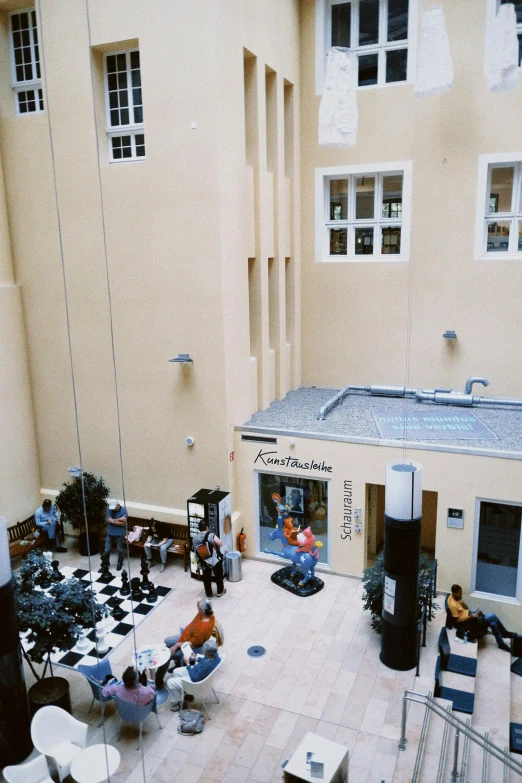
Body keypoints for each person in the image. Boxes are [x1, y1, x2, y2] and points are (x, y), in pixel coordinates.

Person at [155, 598, 216, 686]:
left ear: (202, 610)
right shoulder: (207, 614)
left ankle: (158, 679)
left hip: (192, 647)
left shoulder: (203, 629)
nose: (197, 607)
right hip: (186, 635)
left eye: (198, 607)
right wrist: (200, 602)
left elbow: (192, 644)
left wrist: (177, 645)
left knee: (168, 655)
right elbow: (200, 604)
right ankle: (177, 664)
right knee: (167, 641)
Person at [448, 584, 515, 651]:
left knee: (493, 624)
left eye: (461, 592)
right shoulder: (452, 605)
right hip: (468, 621)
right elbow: (456, 621)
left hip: (470, 614)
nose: (461, 594)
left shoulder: (454, 597)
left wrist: (461, 602)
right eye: (459, 593)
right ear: (454, 593)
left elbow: (466, 608)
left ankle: (501, 643)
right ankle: (504, 633)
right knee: (492, 616)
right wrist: (470, 617)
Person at [167, 638, 221, 711]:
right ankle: (184, 695)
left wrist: (188, 664)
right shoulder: (216, 657)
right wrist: (196, 658)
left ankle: (179, 703)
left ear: (207, 653)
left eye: (204, 650)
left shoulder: (207, 666)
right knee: (176, 671)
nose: (203, 650)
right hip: (199, 672)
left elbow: (194, 678)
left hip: (196, 682)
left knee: (170, 682)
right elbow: (205, 659)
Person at [192, 519, 226, 598]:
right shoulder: (210, 535)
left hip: (203, 561)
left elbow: (194, 549)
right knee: (218, 575)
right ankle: (220, 591)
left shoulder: (195, 538)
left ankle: (209, 594)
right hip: (213, 560)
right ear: (207, 527)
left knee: (206, 577)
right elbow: (220, 543)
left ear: (199, 528)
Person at [104, 501, 128, 571]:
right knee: (107, 549)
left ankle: (120, 562)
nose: (113, 510)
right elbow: (108, 520)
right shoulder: (110, 509)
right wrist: (119, 520)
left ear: (118, 505)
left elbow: (123, 524)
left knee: (119, 549)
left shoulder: (123, 510)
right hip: (110, 532)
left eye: (114, 508)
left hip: (119, 533)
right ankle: (105, 564)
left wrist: (113, 521)